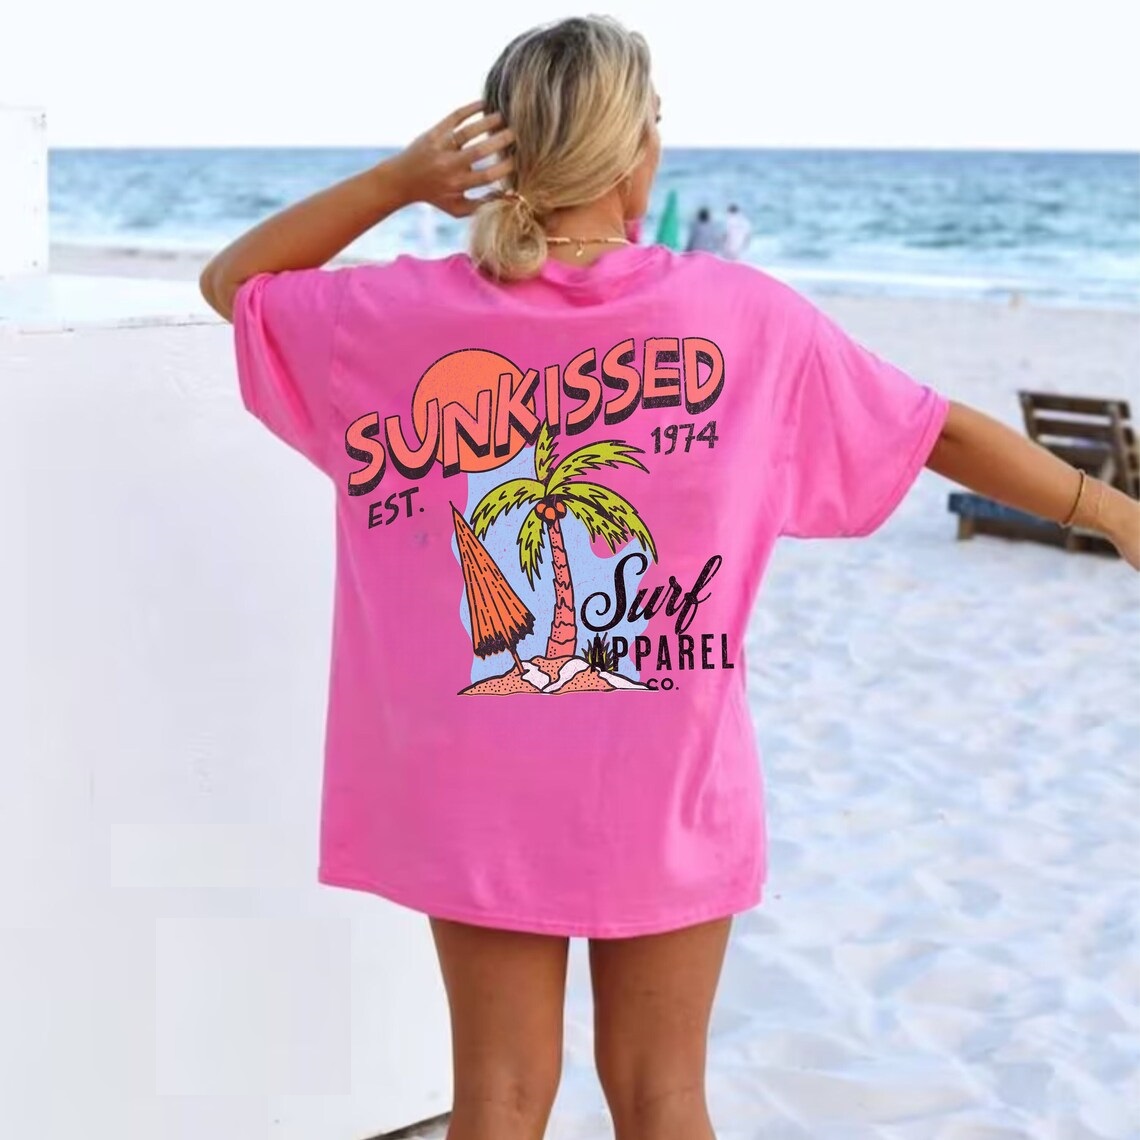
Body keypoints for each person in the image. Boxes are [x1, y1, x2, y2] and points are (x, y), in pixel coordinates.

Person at [199, 15, 1140, 1140]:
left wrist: (399, 181)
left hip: (474, 776)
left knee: (497, 1096)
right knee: (662, 1096)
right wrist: (1113, 513)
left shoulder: (394, 316)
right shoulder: (742, 317)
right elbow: (935, 432)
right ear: (636, 149)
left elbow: (236, 281)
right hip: (667, 772)